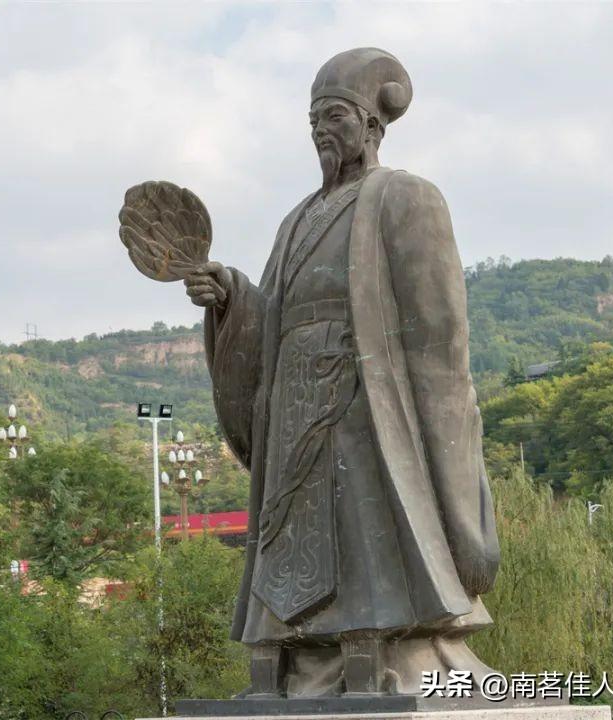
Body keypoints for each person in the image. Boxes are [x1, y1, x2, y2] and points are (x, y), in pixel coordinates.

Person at [184, 48, 500, 697]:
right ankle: (291, 660)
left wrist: (434, 423)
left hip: (363, 406)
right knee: (291, 533)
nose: (322, 132)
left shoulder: (404, 197)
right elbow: (271, 315)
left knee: (364, 527)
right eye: (312, 122)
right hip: (293, 410)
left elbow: (437, 334)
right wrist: (232, 298)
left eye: (334, 116)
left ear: (371, 124)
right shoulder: (295, 221)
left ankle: (382, 649)